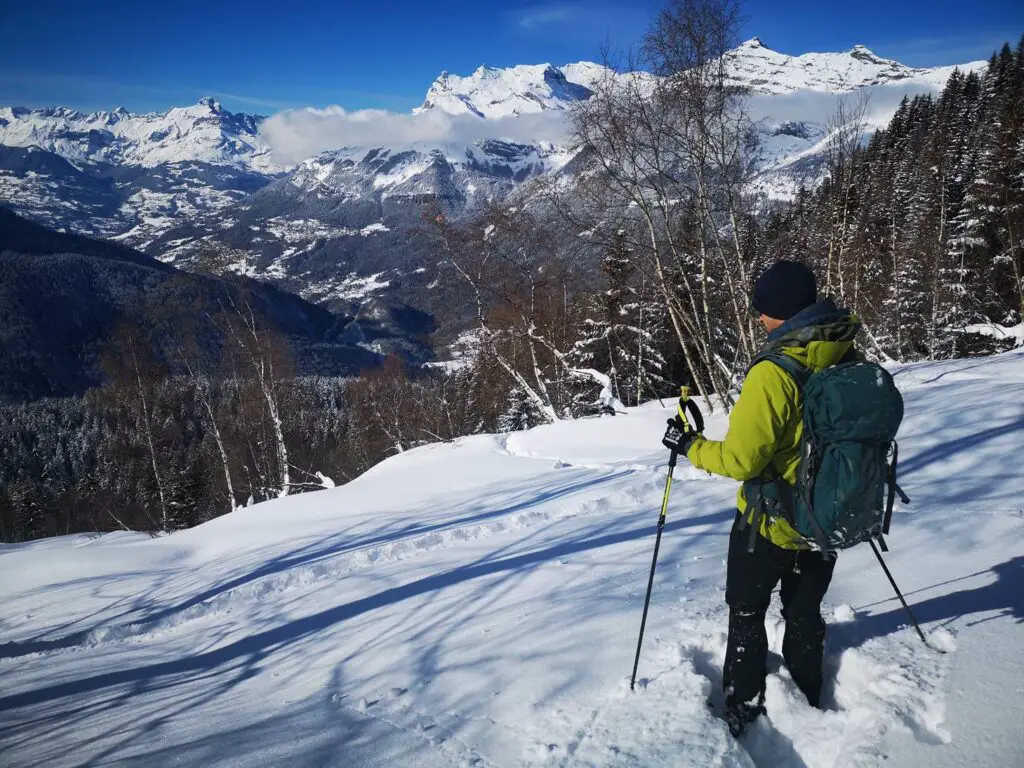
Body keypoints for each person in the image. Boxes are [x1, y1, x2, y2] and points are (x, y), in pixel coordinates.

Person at [670, 260, 860, 737]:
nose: (758, 318)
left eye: (764, 310)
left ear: (783, 313)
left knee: (748, 611)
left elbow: (740, 461)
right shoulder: (844, 354)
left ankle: (744, 708)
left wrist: (690, 445)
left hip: (769, 521)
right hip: (827, 514)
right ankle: (807, 697)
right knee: (803, 613)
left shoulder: (774, 373)